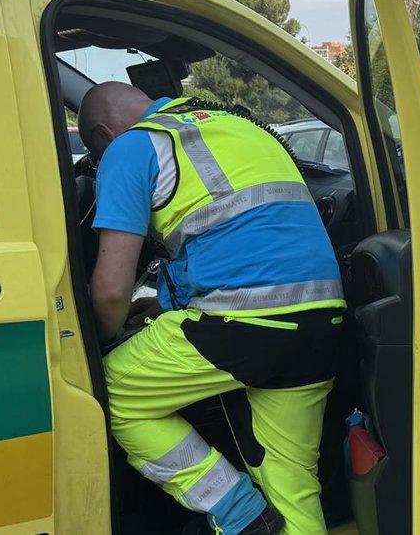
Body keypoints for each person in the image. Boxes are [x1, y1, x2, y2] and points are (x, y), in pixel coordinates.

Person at [80, 81, 345, 535]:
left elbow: (109, 292)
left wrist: (96, 341)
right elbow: (243, 236)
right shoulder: (238, 127)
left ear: (105, 134)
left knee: (107, 391)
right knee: (290, 483)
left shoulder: (132, 147)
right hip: (321, 322)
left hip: (245, 323)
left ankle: (237, 509)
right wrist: (167, 308)